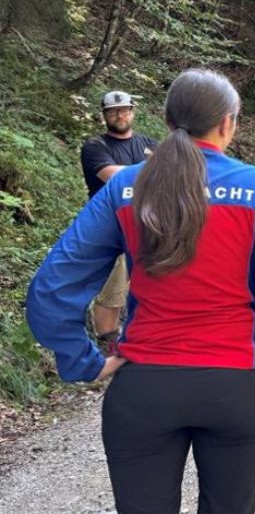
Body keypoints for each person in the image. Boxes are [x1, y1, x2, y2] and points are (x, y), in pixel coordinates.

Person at [27, 69, 255, 514]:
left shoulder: (126, 186)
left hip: (144, 389)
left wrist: (82, 361)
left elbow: (50, 290)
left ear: (167, 122)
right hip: (239, 385)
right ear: (227, 123)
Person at [79, 90, 157, 351]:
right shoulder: (95, 147)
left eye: (124, 109)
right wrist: (156, 170)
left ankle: (141, 342)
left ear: (133, 112)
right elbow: (115, 176)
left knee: (149, 287)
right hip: (110, 230)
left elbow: (170, 176)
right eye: (113, 111)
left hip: (148, 227)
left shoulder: (150, 143)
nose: (119, 114)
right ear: (104, 116)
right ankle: (107, 345)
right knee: (112, 291)